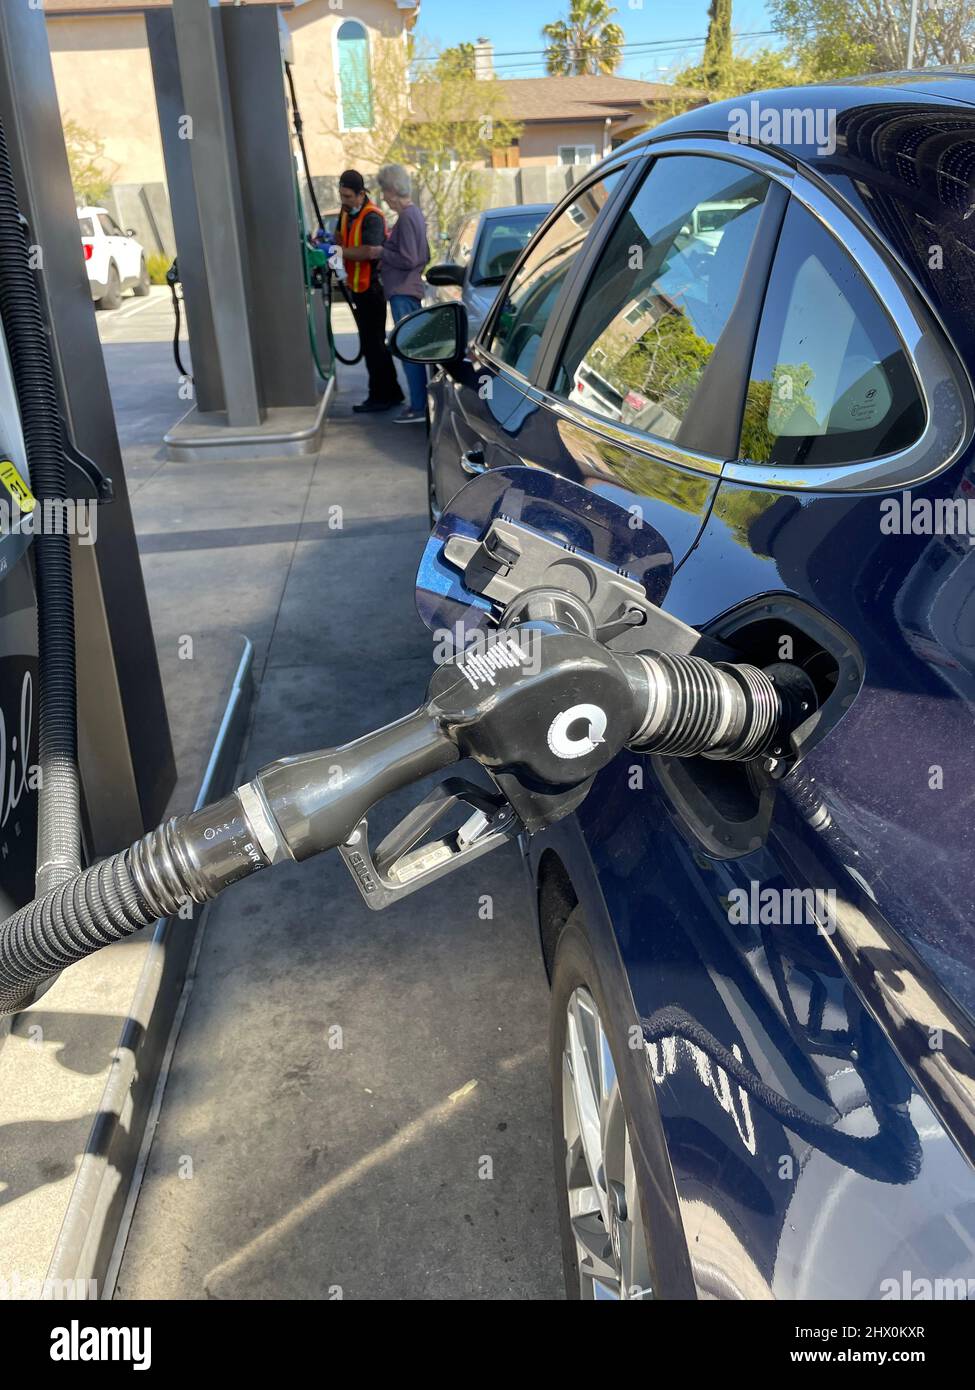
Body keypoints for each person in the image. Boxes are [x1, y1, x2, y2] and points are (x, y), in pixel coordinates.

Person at [336, 169, 403, 414]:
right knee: (372, 344)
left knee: (373, 344)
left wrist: (338, 252)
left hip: (372, 288)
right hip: (357, 288)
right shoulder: (346, 213)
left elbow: (368, 250)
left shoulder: (372, 217)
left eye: (348, 196)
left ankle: (380, 396)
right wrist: (328, 242)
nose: (344, 201)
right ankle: (392, 392)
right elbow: (339, 238)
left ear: (361, 194)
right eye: (341, 195)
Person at [376, 163, 431, 425]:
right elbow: (424, 255)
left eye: (384, 191)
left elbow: (409, 258)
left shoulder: (407, 217)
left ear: (391, 190)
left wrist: (381, 253)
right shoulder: (415, 214)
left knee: (409, 350)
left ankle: (418, 406)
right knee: (413, 348)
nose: (383, 197)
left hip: (403, 291)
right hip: (408, 289)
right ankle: (419, 403)